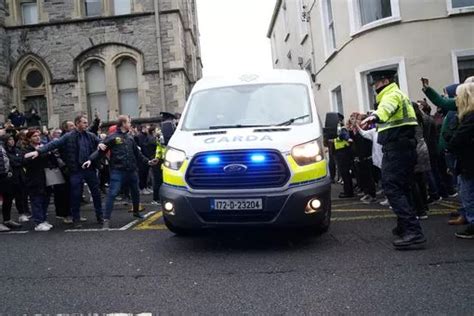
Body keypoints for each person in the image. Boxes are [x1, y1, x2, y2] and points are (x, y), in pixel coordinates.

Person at [362, 70, 426, 249]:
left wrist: (374, 117)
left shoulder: (391, 95)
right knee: (403, 188)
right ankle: (405, 226)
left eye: (375, 84)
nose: (374, 87)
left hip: (397, 149)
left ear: (384, 81)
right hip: (404, 148)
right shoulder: (398, 94)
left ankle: (413, 231)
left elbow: (385, 109)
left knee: (391, 187)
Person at [25, 115, 104, 228]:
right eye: (84, 122)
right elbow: (53, 144)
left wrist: (101, 142)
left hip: (90, 169)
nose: (86, 124)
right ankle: (76, 219)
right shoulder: (68, 136)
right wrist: (39, 151)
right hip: (76, 170)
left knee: (96, 194)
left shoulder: (90, 136)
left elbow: (100, 142)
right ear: (77, 124)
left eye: (87, 122)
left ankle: (100, 216)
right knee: (75, 195)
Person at [84, 115, 158, 229]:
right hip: (118, 171)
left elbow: (138, 155)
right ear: (123, 124)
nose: (130, 124)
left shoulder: (130, 138)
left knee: (135, 193)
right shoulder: (112, 137)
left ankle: (136, 212)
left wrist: (148, 162)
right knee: (112, 194)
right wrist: (90, 159)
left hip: (132, 170)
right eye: (128, 122)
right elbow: (101, 151)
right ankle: (106, 219)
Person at [446, 83, 474, 238]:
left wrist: (449, 142)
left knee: (468, 193)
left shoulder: (469, 117)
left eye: (458, 96)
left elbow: (457, 138)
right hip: (467, 161)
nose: (456, 99)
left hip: (469, 162)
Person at [22, 129, 52, 231]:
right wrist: (40, 153)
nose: (38, 137)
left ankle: (43, 219)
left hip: (46, 176)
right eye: (34, 136)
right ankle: (38, 222)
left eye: (38, 135)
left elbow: (49, 158)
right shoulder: (26, 149)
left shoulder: (44, 147)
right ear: (29, 138)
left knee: (46, 199)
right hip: (34, 178)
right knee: (36, 200)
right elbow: (26, 160)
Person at [3, 136, 29, 225]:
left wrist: (17, 161)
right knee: (8, 198)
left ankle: (22, 213)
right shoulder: (4, 151)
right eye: (9, 139)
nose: (12, 141)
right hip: (10, 177)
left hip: (20, 175)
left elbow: (23, 160)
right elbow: (11, 161)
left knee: (20, 196)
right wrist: (17, 161)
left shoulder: (17, 150)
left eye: (12, 139)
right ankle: (7, 218)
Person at [333, 114, 354, 198]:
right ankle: (347, 191)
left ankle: (348, 192)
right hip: (341, 153)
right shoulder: (338, 130)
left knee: (345, 174)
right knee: (344, 174)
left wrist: (347, 138)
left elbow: (347, 137)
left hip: (343, 153)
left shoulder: (342, 129)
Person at [152, 131, 165, 205]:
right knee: (158, 180)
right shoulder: (162, 137)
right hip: (161, 161)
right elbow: (159, 148)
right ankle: (156, 198)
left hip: (168, 160)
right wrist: (157, 157)